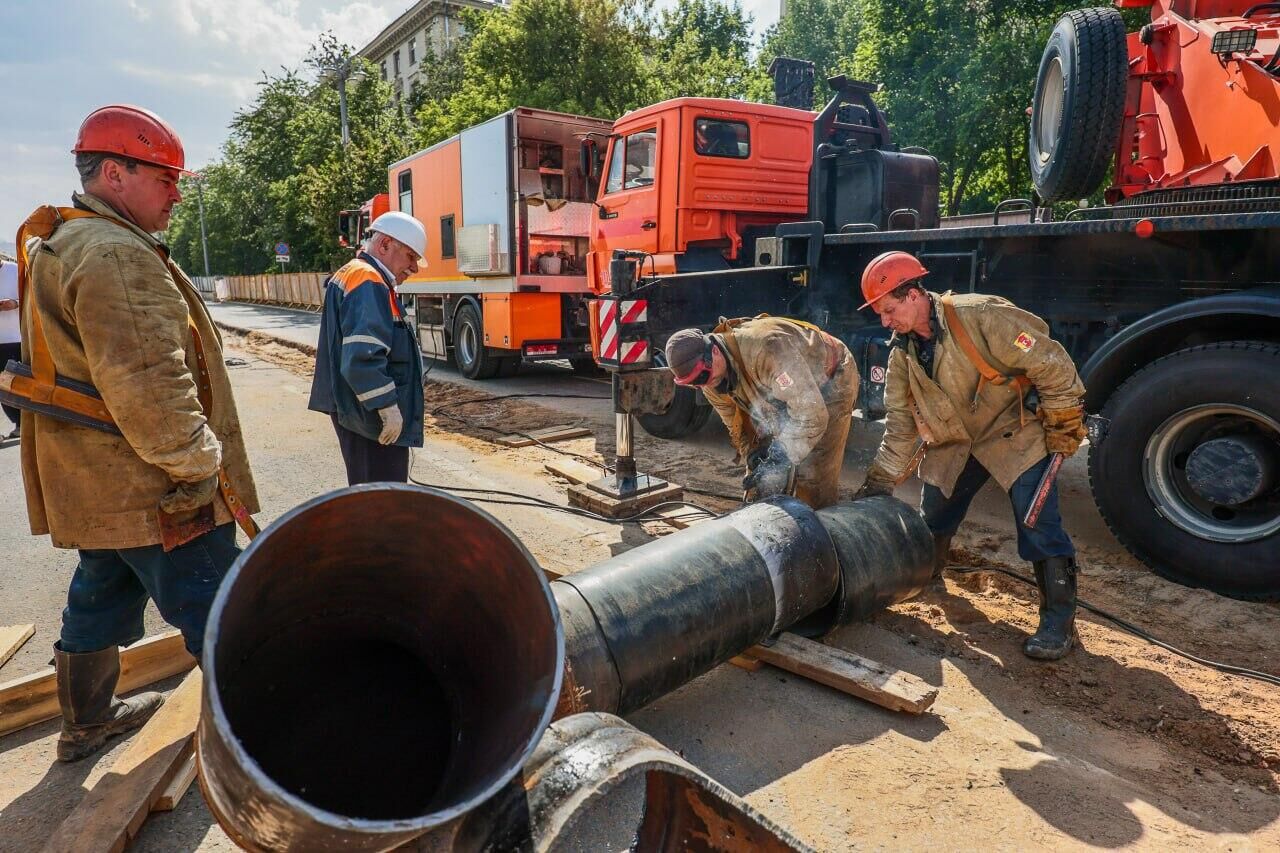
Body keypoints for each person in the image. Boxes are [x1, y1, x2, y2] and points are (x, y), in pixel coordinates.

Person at [17, 104, 259, 760]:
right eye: (166, 177)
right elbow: (151, 388)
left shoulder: (67, 239)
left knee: (99, 591)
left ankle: (88, 720)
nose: (178, 193)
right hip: (158, 489)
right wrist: (200, 466)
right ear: (116, 173)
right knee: (223, 606)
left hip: (103, 490)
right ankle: (272, 737)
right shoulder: (115, 253)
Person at [853, 251, 1088, 660]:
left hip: (1012, 433)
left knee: (1036, 522)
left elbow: (1050, 362)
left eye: (889, 310)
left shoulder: (981, 315)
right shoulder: (902, 355)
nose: (885, 322)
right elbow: (901, 425)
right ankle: (929, 577)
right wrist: (880, 480)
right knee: (936, 516)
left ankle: (1059, 623)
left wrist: (1065, 420)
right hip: (956, 442)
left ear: (913, 294)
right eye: (879, 313)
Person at [664, 315, 859, 509]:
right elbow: (736, 424)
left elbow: (812, 415)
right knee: (762, 477)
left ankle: (819, 524)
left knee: (812, 476)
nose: (702, 384)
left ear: (714, 351)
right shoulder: (708, 381)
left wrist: (780, 456)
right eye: (693, 383)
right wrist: (753, 454)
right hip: (784, 390)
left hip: (830, 378)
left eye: (703, 376)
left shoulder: (765, 349)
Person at [308, 212, 426, 485]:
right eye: (411, 256)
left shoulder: (361, 276)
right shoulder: (367, 279)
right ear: (384, 245)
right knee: (380, 500)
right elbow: (362, 356)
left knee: (372, 495)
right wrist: (387, 407)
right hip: (368, 418)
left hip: (358, 411)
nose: (414, 268)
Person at [0, 257, 20, 438]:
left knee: (14, 383)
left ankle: (22, 423)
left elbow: (30, 297)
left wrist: (15, 303)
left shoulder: (15, 270)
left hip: (15, 338)